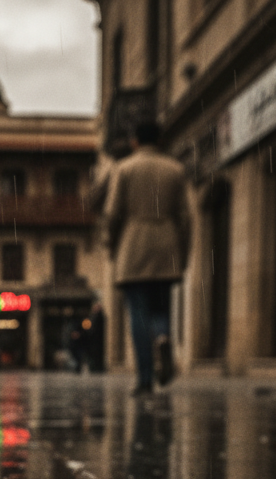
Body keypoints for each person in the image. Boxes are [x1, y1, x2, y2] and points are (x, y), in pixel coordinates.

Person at [104, 121, 192, 395]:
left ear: (134, 141)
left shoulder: (124, 169)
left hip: (134, 244)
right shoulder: (175, 170)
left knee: (138, 314)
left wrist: (111, 244)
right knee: (161, 307)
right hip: (166, 243)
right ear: (160, 140)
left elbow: (113, 213)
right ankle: (164, 337)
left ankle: (145, 378)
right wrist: (183, 253)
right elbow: (186, 217)